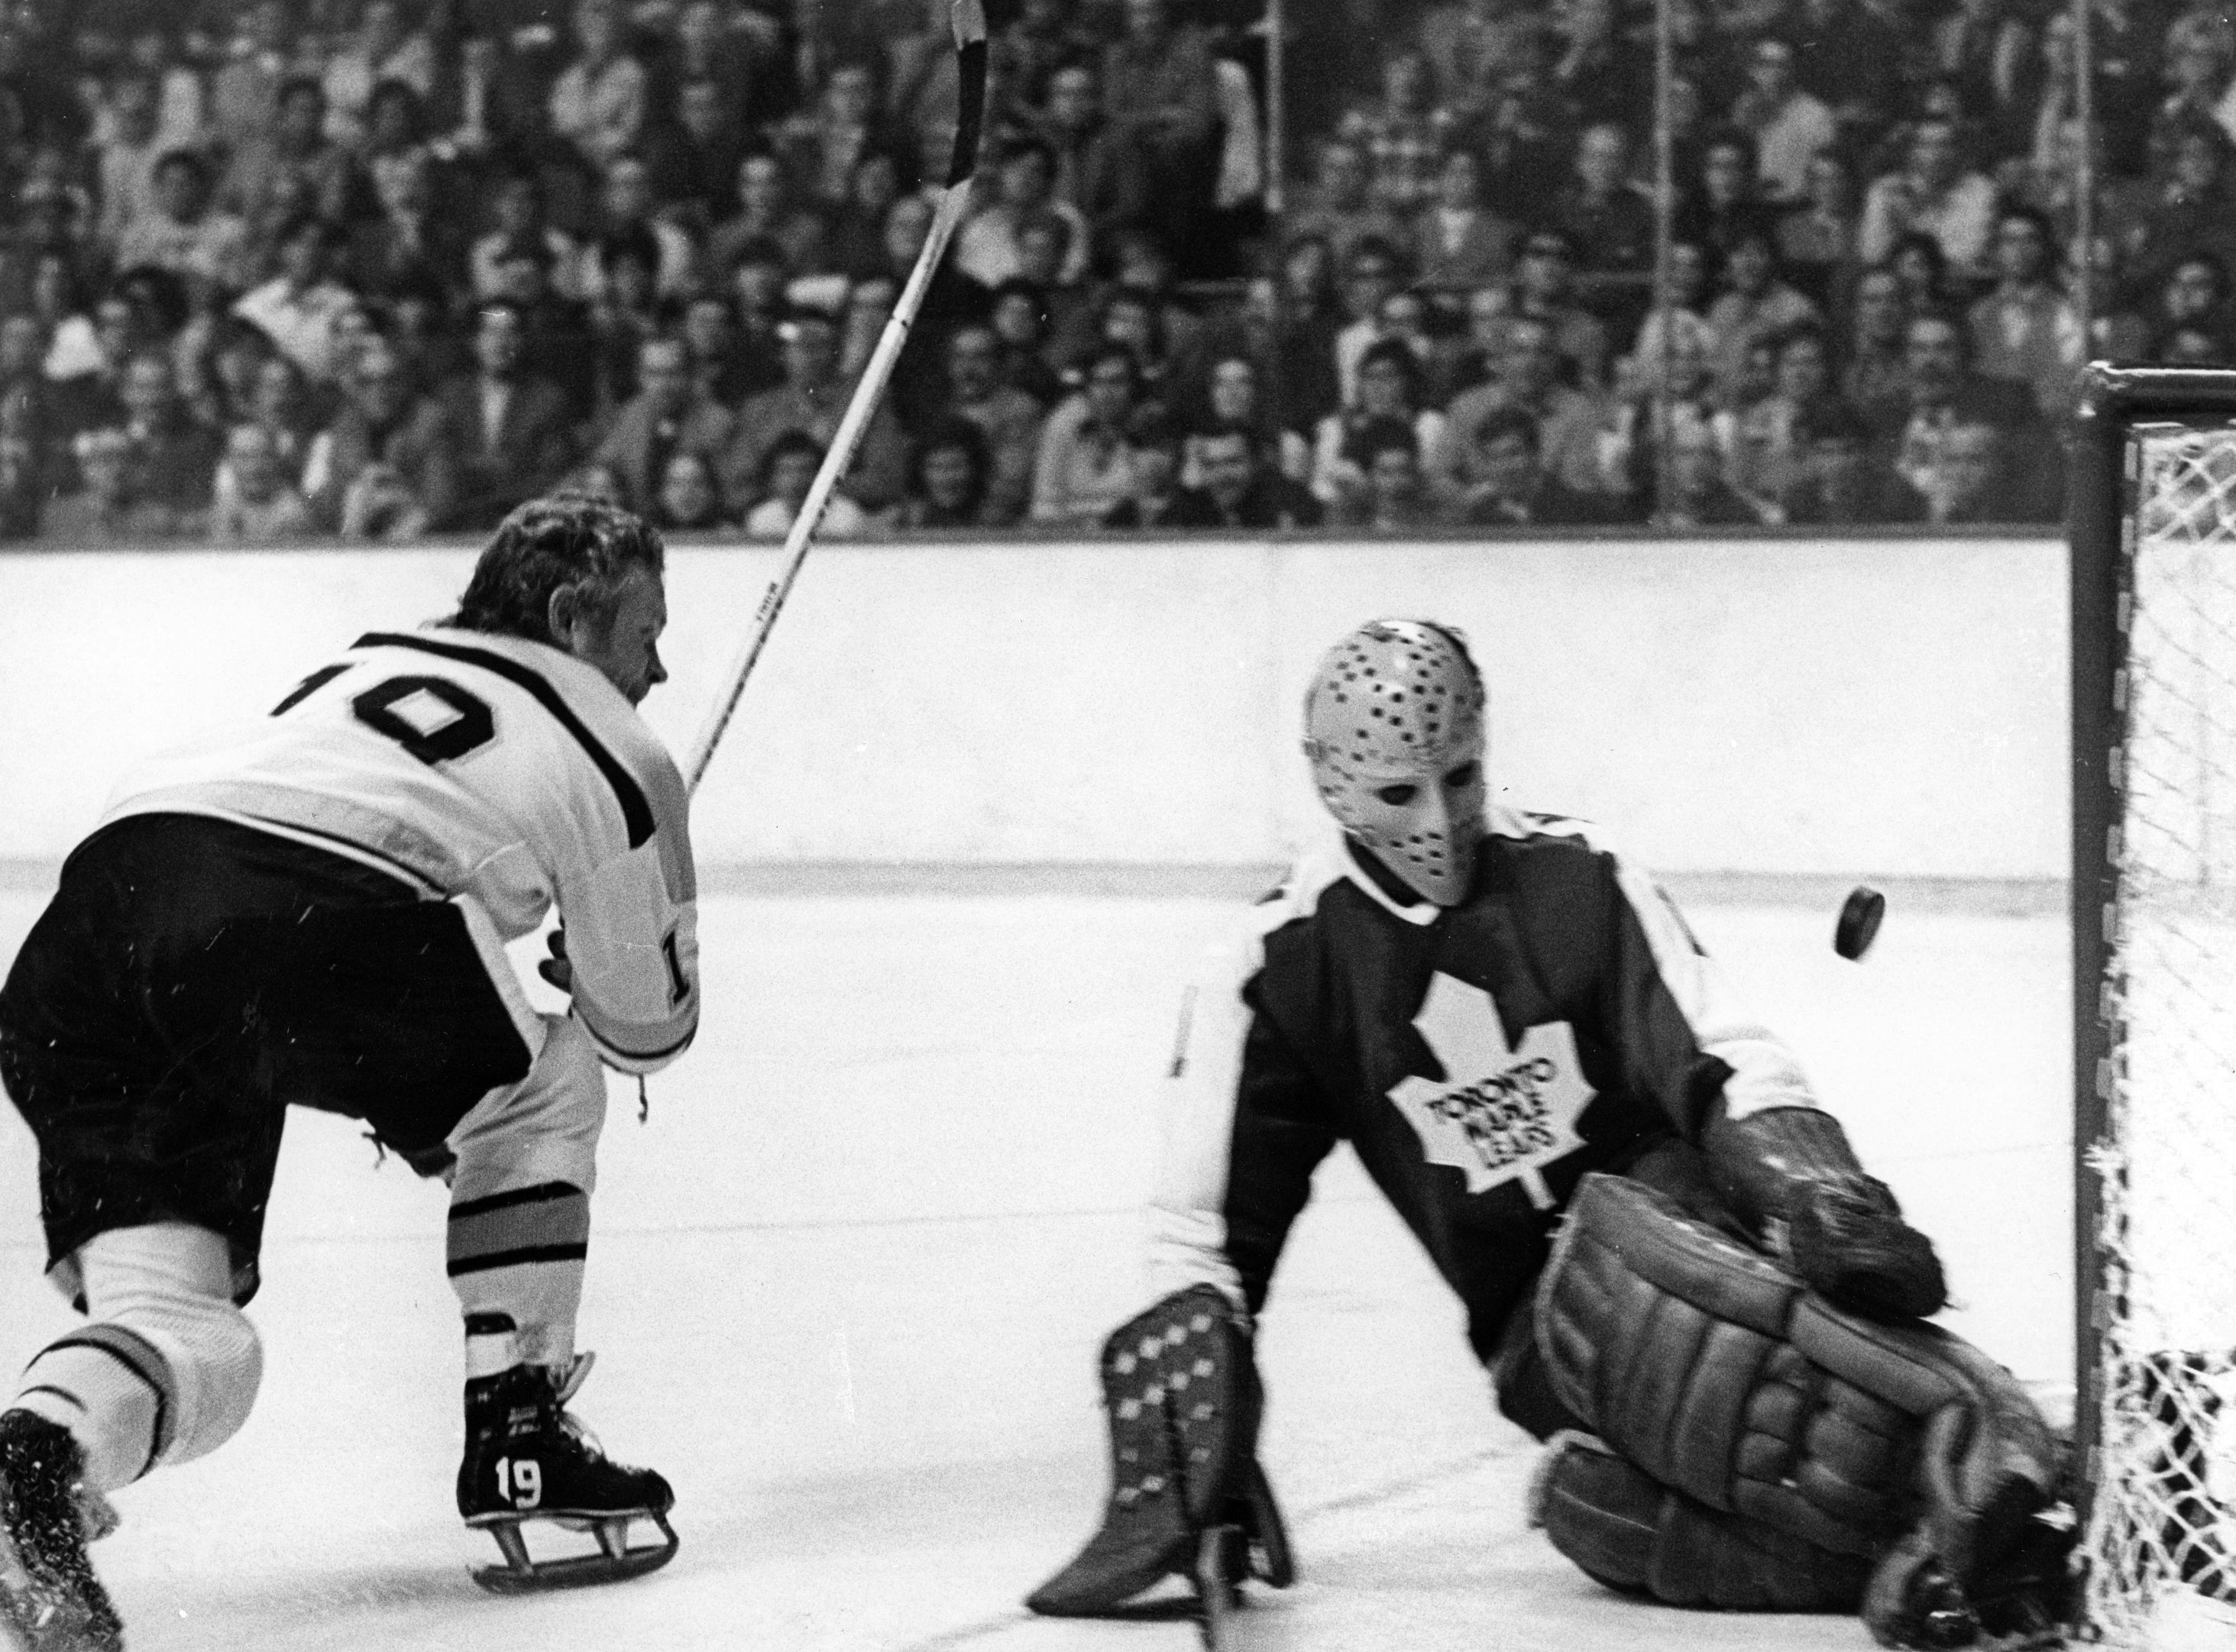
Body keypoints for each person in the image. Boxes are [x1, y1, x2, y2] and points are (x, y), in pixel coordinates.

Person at [1024, 619, 2065, 1644]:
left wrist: (1814, 1188)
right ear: (1327, 778)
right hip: (1537, 1342)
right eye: (1398, 791)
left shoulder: (1582, 876)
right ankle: (1977, 1533)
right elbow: (1205, 1239)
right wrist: (1190, 1449)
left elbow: (1717, 1048)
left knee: (1711, 1314)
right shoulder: (1276, 963)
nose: (1438, 820)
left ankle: (2004, 1471)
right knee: (1608, 1512)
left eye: (1461, 777)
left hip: (1679, 1219)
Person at [0, 494, 700, 1647]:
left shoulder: (360, 664)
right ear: (575, 619)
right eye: (646, 634)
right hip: (304, 919)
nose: (659, 668)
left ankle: (36, 1457)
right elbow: (644, 1033)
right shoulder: (620, 745)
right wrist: (593, 968)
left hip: (94, 928)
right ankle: (519, 1430)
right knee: (548, 1081)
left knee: (193, 1338)